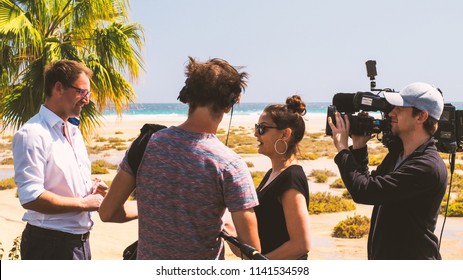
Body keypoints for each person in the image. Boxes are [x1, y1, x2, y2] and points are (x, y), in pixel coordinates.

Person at [99, 56, 260, 259]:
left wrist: (156, 207)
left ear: (187, 96)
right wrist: (227, 230)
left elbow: (107, 213)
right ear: (229, 104)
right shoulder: (230, 165)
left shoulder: (146, 144)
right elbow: (252, 253)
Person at [328, 82, 447, 259]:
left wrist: (343, 150)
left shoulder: (427, 166)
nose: (391, 113)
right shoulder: (399, 155)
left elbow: (365, 192)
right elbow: (369, 182)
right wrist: (359, 147)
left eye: (399, 109)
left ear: (421, 116)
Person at [12, 59, 108, 260]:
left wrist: (91, 189)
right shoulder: (32, 133)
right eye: (82, 92)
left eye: (88, 93)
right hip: (49, 245)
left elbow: (61, 183)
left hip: (79, 243)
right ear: (58, 88)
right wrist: (84, 203)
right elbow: (31, 197)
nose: (87, 99)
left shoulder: (73, 131)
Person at [253, 95, 311, 259]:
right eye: (257, 126)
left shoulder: (291, 178)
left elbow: (301, 244)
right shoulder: (272, 174)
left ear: (285, 134)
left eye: (262, 128)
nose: (256, 133)